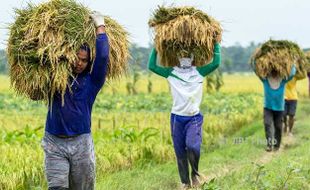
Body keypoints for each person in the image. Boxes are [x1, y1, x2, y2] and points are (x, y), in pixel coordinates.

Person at [41, 12, 109, 190]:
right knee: (57, 187)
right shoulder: (56, 78)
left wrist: (99, 26)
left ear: (88, 62)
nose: (79, 63)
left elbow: (102, 58)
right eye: (76, 58)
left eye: (84, 60)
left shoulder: (92, 82)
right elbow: (44, 54)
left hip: (81, 143)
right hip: (54, 142)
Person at [148, 44, 221, 189]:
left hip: (193, 117)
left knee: (193, 146)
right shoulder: (171, 72)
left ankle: (195, 174)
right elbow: (152, 66)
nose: (185, 58)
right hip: (177, 118)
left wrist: (215, 43)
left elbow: (216, 62)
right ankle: (185, 182)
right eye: (182, 55)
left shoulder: (199, 71)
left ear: (193, 57)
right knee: (180, 151)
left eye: (188, 55)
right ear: (177, 57)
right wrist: (156, 47)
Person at [255, 65, 296, 152]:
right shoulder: (265, 80)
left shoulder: (282, 81)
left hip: (279, 108)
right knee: (267, 124)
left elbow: (292, 74)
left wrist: (293, 64)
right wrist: (255, 61)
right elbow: (257, 71)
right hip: (268, 107)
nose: (274, 72)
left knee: (278, 127)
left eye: (275, 70)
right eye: (272, 70)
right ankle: (269, 145)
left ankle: (277, 145)